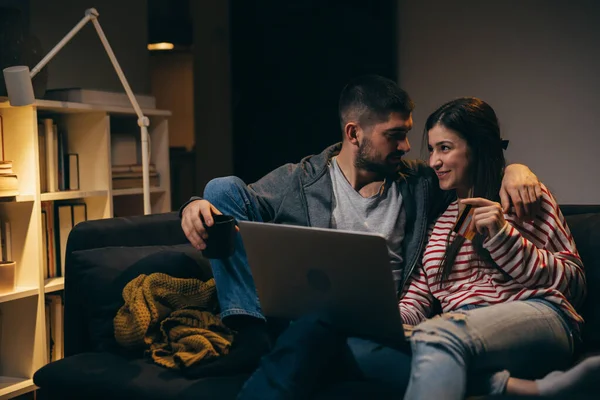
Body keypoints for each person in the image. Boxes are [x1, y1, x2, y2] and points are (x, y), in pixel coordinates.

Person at [179, 75, 542, 378]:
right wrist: (194, 206)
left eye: (407, 134)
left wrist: (515, 169)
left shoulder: (419, 181)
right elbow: (230, 199)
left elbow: (472, 174)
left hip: (386, 323)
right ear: (354, 134)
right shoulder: (301, 180)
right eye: (394, 135)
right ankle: (250, 333)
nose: (406, 146)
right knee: (220, 186)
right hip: (307, 319)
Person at [237, 97, 598, 400]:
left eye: (445, 148)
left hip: (538, 317)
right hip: (457, 330)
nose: (433, 161)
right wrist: (376, 320)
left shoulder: (522, 198)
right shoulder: (440, 223)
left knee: (438, 334)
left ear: (478, 149)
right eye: (432, 149)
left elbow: (574, 284)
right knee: (341, 343)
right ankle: (518, 388)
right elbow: (416, 300)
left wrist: (503, 235)